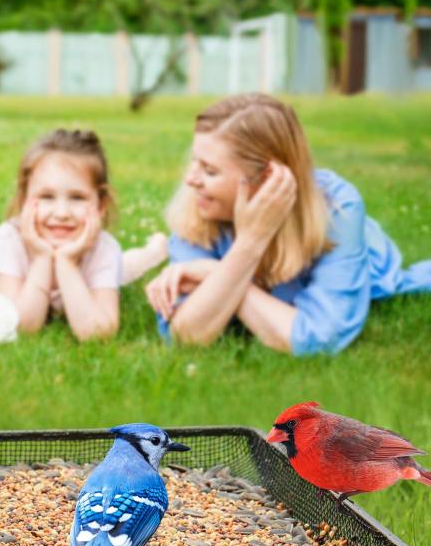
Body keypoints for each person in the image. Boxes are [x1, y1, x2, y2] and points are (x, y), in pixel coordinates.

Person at [145, 93, 431, 355]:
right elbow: (185, 336)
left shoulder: (338, 208)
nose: (191, 179)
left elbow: (319, 338)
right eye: (195, 162)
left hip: (370, 261)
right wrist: (246, 250)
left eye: (209, 170)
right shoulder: (200, 207)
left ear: (266, 179)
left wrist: (216, 272)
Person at [0, 129, 168, 341]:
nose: (62, 213)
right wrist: (42, 258)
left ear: (101, 206)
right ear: (25, 200)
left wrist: (67, 263)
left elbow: (97, 333)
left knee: (128, 267)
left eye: (77, 198)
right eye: (47, 196)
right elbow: (21, 326)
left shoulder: (102, 248)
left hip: (93, 271)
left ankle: (155, 250)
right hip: (35, 257)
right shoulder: (8, 240)